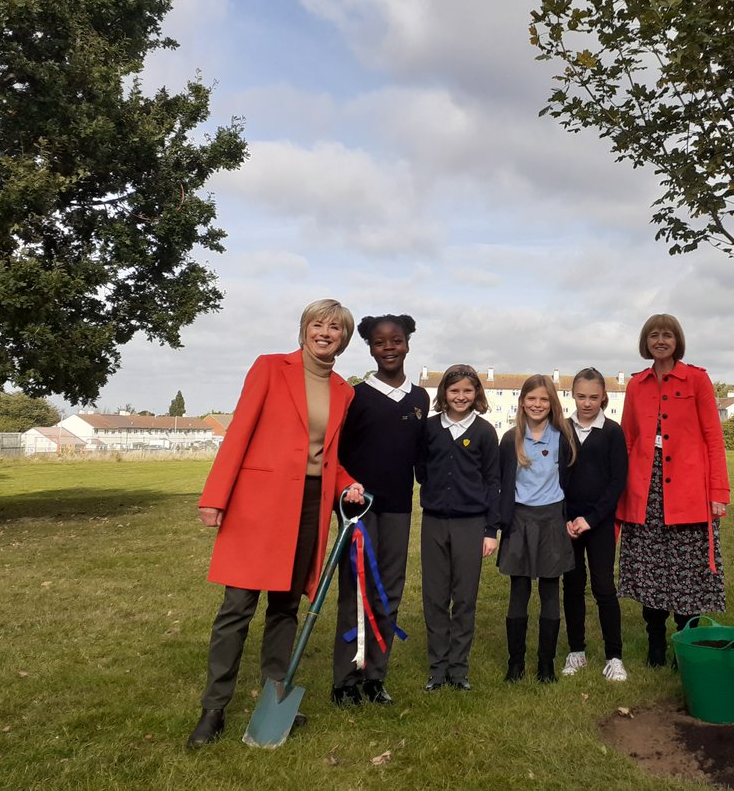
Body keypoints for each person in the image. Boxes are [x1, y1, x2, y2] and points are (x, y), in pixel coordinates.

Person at [187, 299, 366, 749]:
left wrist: (348, 483)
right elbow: (240, 432)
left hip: (309, 507)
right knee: (237, 608)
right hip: (258, 505)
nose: (325, 332)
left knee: (285, 607)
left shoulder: (343, 390)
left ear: (344, 339)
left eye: (335, 328)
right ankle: (214, 709)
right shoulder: (269, 368)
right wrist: (215, 497)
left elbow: (327, 456)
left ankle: (274, 698)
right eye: (317, 324)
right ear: (304, 329)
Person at [616, 314, 729, 667]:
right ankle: (655, 642)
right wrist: (617, 488)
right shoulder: (637, 385)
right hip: (645, 490)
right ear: (645, 342)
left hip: (689, 491)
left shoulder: (696, 379)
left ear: (677, 340)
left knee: (687, 571)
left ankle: (686, 640)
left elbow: (713, 438)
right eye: (654, 335)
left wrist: (718, 492)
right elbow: (627, 438)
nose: (660, 341)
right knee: (650, 568)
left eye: (667, 335)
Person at [331, 314, 428, 707]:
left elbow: (421, 456)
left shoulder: (420, 399)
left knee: (389, 591)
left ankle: (375, 676)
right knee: (355, 591)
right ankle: (345, 680)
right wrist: (345, 495)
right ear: (369, 347)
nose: (389, 348)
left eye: (396, 340)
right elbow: (337, 454)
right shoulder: (355, 396)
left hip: (398, 508)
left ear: (407, 344)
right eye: (379, 342)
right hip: (358, 509)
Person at [416, 365, 500, 691]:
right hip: (435, 522)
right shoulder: (429, 428)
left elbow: (493, 482)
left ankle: (458, 667)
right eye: (454, 391)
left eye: (467, 390)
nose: (461, 396)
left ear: (476, 393)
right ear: (444, 394)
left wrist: (490, 530)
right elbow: (421, 469)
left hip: (471, 524)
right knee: (435, 597)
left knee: (464, 598)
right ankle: (437, 667)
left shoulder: (484, 432)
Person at [497, 374, 577, 683]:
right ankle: (515, 663)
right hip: (519, 520)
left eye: (544, 399)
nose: (537, 404)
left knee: (549, 591)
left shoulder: (563, 437)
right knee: (519, 591)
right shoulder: (510, 439)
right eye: (531, 398)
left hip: (551, 519)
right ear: (522, 402)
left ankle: (546, 665)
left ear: (552, 403)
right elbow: (501, 483)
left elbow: (571, 479)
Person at [561, 368, 629, 681]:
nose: (587, 403)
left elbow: (617, 482)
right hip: (568, 524)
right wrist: (565, 518)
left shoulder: (613, 432)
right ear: (572, 396)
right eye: (581, 396)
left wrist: (591, 519)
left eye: (593, 397)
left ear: (603, 397)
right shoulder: (562, 429)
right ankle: (576, 651)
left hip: (599, 523)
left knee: (604, 587)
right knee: (573, 586)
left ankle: (614, 656)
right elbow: (555, 477)